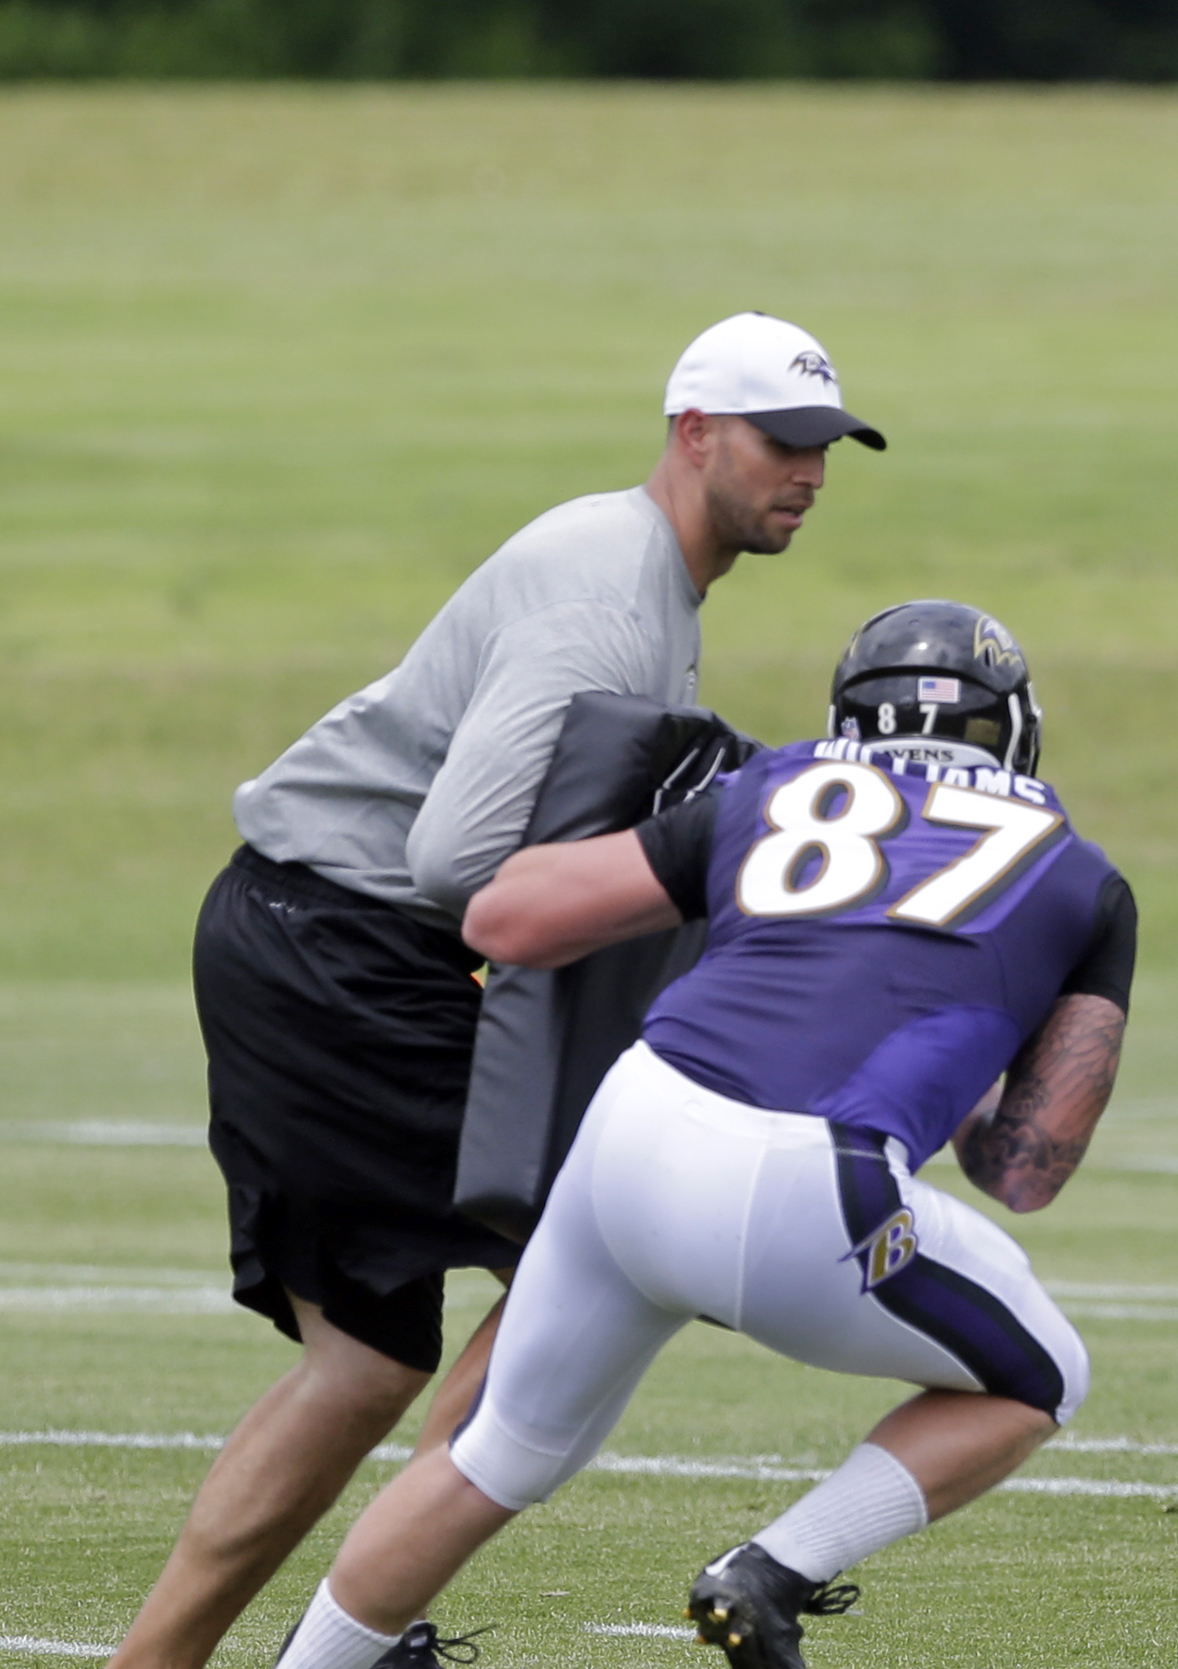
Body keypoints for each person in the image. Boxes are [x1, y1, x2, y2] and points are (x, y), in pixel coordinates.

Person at [112, 313, 882, 1669]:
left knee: (363, 1366)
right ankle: (377, 1618)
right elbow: (461, 858)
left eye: (825, 447)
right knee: (605, 1228)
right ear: (692, 430)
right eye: (782, 440)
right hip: (334, 942)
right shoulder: (606, 596)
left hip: (319, 932)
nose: (807, 472)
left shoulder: (642, 577)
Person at [260, 601, 1133, 1669]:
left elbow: (503, 920)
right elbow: (1026, 1166)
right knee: (1043, 1375)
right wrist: (942, 1045)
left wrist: (682, 854)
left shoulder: (768, 790)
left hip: (632, 1129)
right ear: (1015, 727)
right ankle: (769, 1572)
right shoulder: (1080, 875)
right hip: (809, 1179)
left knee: (490, 1455)